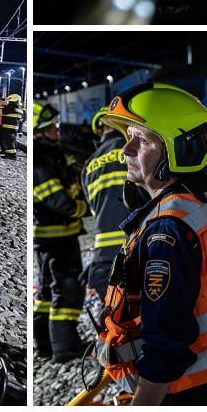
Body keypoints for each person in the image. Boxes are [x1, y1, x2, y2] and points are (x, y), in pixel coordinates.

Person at [93, 83, 207, 405]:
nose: (125, 150)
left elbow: (165, 345)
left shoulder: (167, 233)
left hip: (187, 384)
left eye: (142, 140)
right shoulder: (205, 202)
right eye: (127, 137)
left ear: (179, 149)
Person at [31, 102, 88, 362]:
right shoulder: (40, 162)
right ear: (36, 133)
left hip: (50, 238)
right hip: (58, 238)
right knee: (67, 290)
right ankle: (65, 347)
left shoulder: (48, 155)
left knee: (45, 292)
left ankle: (45, 345)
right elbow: (58, 201)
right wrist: (84, 208)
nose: (57, 130)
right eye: (50, 127)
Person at [81, 107, 128, 300]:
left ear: (100, 130)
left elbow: (94, 209)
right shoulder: (134, 150)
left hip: (104, 254)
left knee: (118, 317)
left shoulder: (89, 166)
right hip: (139, 244)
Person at [0, 94, 22, 158]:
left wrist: (0, 107)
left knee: (9, 141)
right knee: (11, 140)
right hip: (13, 127)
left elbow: (4, 112)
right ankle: (9, 154)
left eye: (8, 100)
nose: (7, 101)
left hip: (9, 127)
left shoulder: (11, 106)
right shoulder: (18, 108)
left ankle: (12, 155)